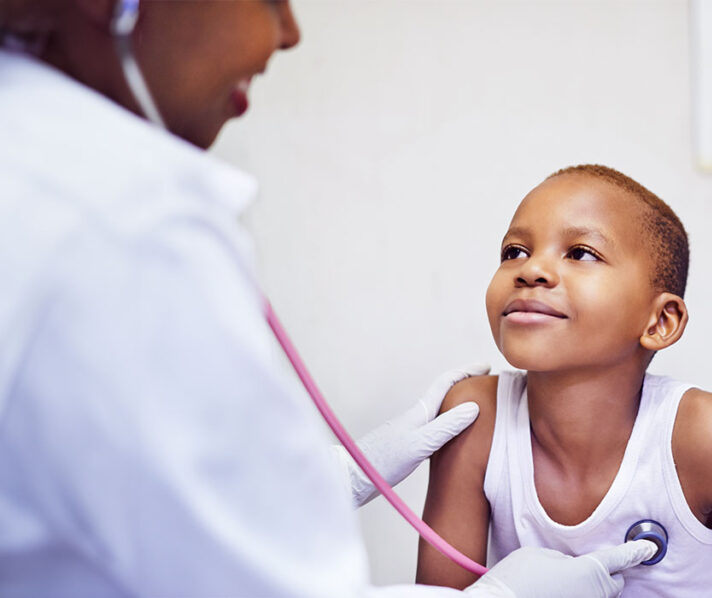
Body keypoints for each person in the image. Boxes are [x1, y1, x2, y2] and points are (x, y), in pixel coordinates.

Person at [0, 2, 655, 596]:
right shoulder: (126, 227)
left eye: (582, 253)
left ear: (663, 320)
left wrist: (344, 474)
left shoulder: (706, 435)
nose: (288, 33)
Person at [416, 165, 712, 597]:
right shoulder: (473, 419)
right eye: (514, 252)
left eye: (581, 253)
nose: (531, 270)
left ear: (660, 321)